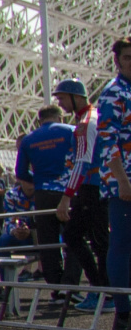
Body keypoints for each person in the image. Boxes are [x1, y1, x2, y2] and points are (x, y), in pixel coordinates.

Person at [79, 40, 131, 330]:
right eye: (128, 58)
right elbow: (108, 142)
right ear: (118, 61)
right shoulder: (114, 93)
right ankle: (123, 313)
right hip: (123, 180)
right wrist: (122, 180)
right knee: (122, 244)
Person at [53, 77, 109, 299]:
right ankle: (102, 288)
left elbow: (82, 162)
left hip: (92, 189)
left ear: (77, 97)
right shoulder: (88, 119)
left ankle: (104, 290)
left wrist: (67, 196)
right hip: (94, 187)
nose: (61, 104)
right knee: (86, 237)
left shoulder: (86, 123)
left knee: (95, 240)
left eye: (63, 98)